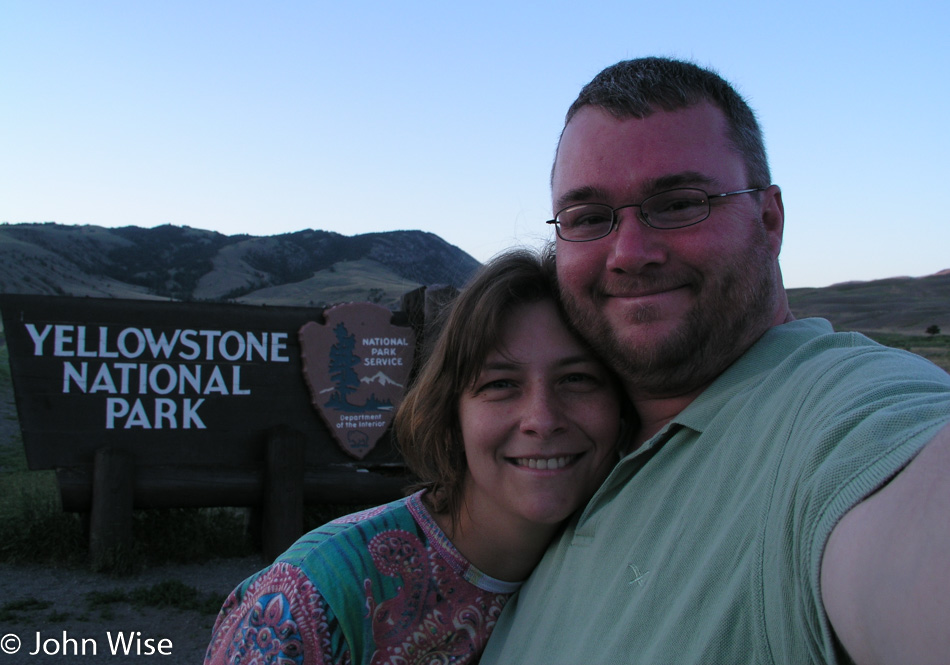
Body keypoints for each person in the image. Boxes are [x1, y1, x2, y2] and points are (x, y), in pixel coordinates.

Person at [480, 57, 950, 665]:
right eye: (589, 218)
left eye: (679, 203)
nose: (629, 254)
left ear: (769, 220)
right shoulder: (568, 455)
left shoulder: (837, 417)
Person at [204, 248, 626, 664]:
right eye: (500, 384)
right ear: (450, 412)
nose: (542, 419)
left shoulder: (626, 563)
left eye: (578, 378)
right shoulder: (314, 595)